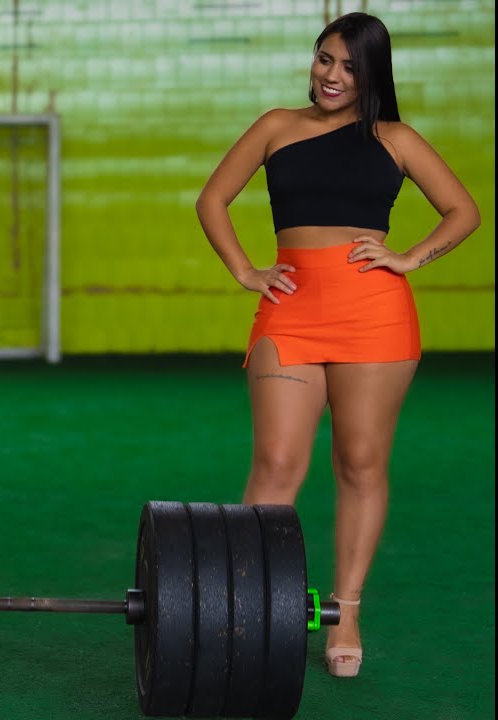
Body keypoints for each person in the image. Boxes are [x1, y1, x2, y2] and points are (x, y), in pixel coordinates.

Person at [195, 12, 480, 678]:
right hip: (289, 312)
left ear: (372, 74)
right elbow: (214, 199)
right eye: (325, 60)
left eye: (350, 67)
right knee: (275, 462)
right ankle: (250, 608)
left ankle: (345, 611)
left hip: (375, 316)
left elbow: (463, 210)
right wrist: (244, 270)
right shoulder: (275, 125)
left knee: (359, 462)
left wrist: (412, 257)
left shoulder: (396, 138)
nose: (332, 76)